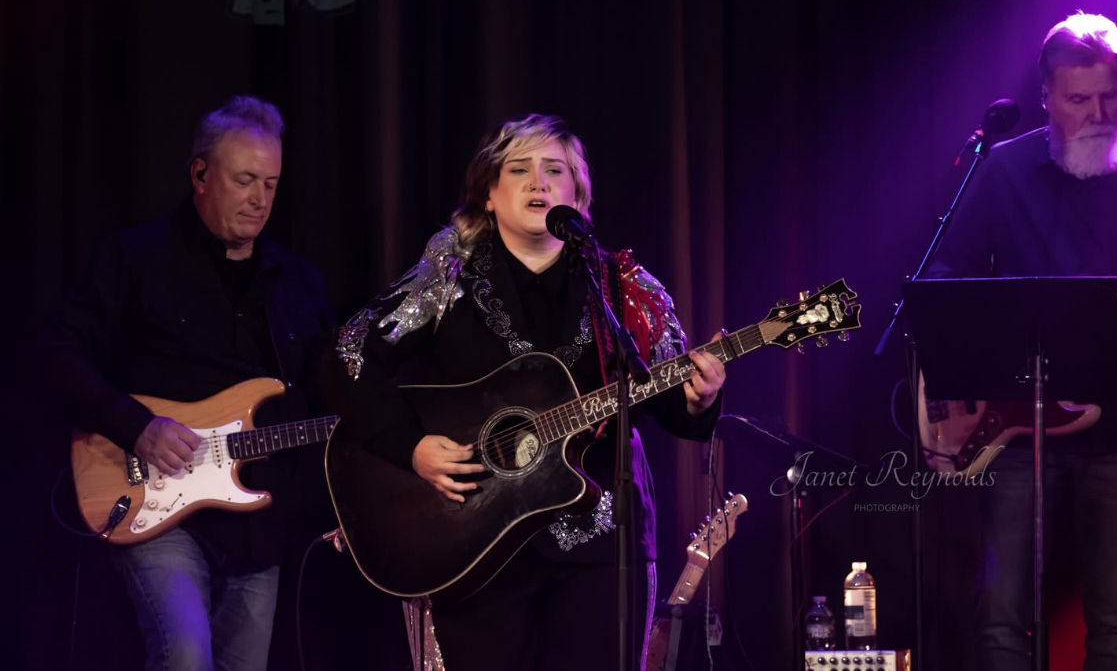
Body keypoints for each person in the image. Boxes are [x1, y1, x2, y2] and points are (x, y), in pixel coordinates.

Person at [323, 113, 726, 671]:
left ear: (577, 195)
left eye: (555, 170)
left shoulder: (623, 288)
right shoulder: (449, 276)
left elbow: (668, 401)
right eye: (518, 169)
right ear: (488, 195)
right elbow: (348, 356)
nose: (538, 181)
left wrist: (700, 400)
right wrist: (410, 445)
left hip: (598, 546)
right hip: (473, 539)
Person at [39, 96, 335, 671]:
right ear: (200, 174)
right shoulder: (136, 259)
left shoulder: (295, 281)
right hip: (154, 502)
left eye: (271, 184)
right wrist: (138, 427)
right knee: (185, 655)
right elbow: (54, 354)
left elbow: (329, 386)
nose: (260, 200)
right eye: (244, 180)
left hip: (258, 526)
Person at [929, 12, 1117, 670]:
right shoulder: (1003, 170)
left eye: (1111, 95)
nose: (1098, 113)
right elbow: (943, 279)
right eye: (1078, 99)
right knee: (1000, 615)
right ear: (1046, 97)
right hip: (1017, 428)